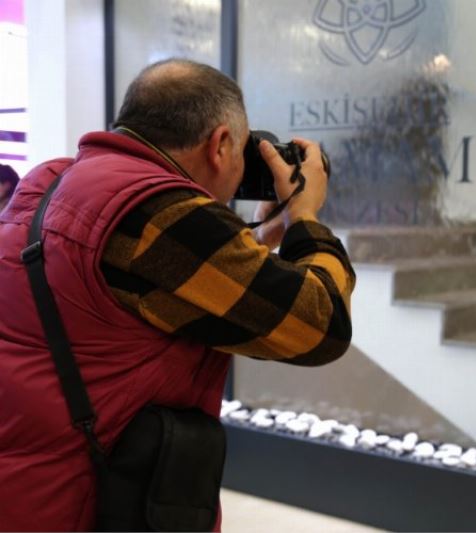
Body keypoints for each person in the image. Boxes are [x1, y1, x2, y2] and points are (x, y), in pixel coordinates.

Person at [0, 59, 355, 530]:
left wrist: (264, 235)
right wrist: (306, 218)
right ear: (221, 144)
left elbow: (149, 283)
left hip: (25, 482)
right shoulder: (160, 213)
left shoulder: (55, 181)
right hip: (84, 503)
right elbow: (321, 326)